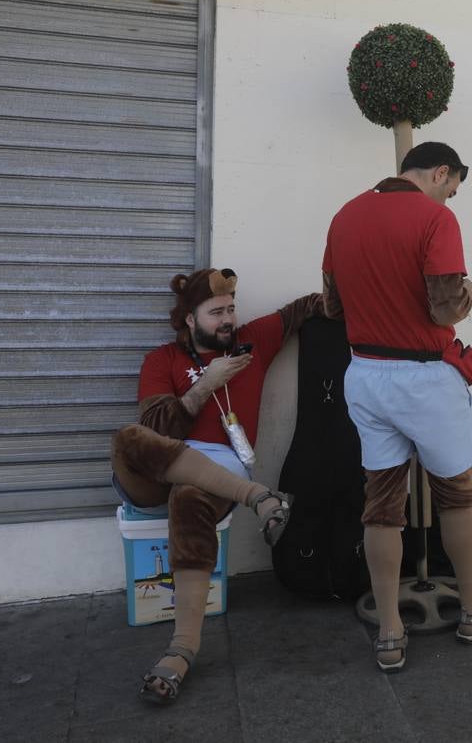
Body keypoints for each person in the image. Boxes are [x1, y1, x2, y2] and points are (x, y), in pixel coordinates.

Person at [322, 141, 472, 672]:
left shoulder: (345, 215)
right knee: (456, 496)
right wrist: (469, 293)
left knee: (381, 504)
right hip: (425, 379)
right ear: (439, 173)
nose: (449, 201)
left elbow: (332, 304)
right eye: (451, 190)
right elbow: (445, 305)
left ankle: (389, 632)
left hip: (365, 374)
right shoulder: (434, 220)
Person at [111, 267, 321, 703]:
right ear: (190, 319)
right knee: (128, 437)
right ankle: (259, 498)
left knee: (189, 498)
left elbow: (308, 307)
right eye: (215, 312)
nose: (227, 319)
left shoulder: (253, 342)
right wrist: (206, 385)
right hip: (155, 473)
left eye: (231, 309)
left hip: (216, 478)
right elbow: (155, 426)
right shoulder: (161, 360)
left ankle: (181, 650)